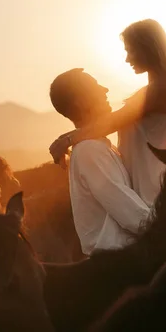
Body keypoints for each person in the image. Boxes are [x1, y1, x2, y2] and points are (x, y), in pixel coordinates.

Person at [49, 19, 166, 208]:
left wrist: (67, 140)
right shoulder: (156, 88)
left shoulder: (163, 88)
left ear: (148, 48)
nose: (127, 58)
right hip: (142, 189)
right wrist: (67, 138)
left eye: (130, 50)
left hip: (150, 193)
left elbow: (113, 122)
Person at [49, 68, 150, 256]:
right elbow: (133, 217)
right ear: (81, 102)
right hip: (117, 266)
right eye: (96, 87)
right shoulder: (90, 151)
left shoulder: (99, 147)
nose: (105, 90)